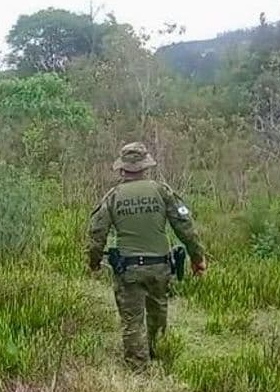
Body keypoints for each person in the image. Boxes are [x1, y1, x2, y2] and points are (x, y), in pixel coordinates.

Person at [87, 141, 207, 370]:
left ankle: (138, 369)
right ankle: (158, 357)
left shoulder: (113, 196)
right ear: (146, 167)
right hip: (160, 267)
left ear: (122, 169)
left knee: (132, 321)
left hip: (128, 270)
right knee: (158, 313)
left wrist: (94, 262)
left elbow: (97, 232)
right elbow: (185, 226)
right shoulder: (162, 191)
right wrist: (197, 257)